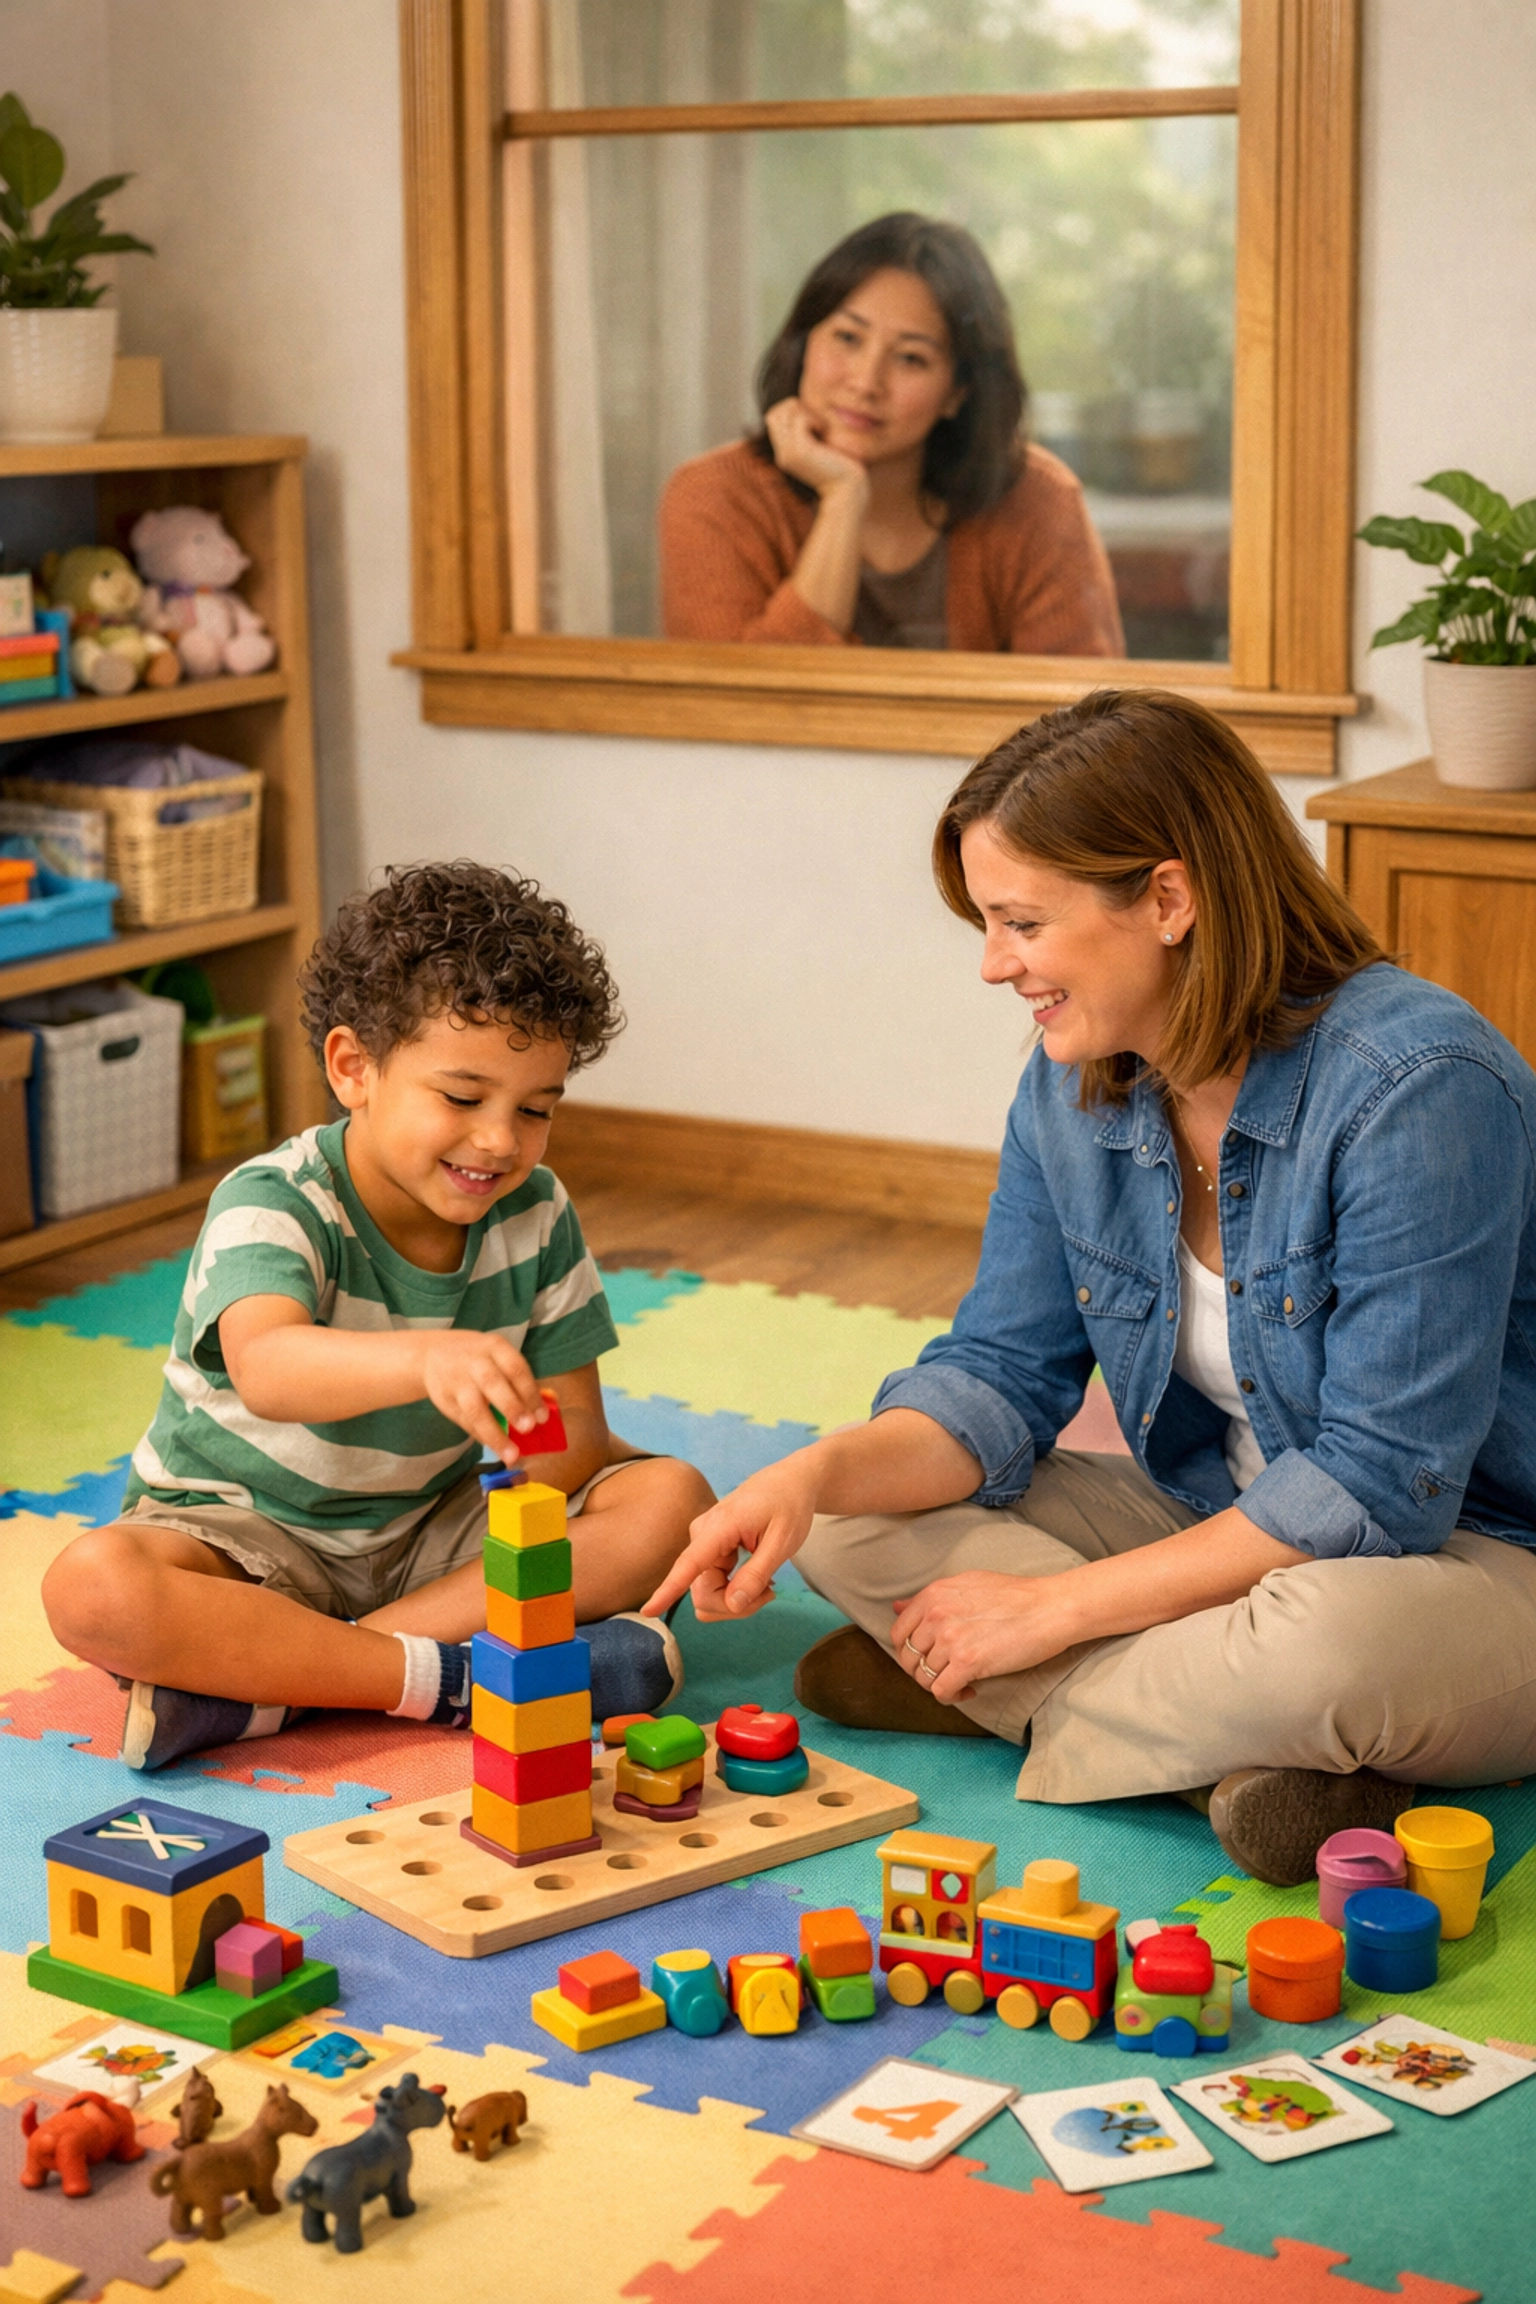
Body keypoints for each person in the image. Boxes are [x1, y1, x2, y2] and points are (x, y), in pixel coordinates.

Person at [648, 690, 1536, 1887]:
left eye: (1021, 921)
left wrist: (1055, 1617)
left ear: (1168, 900)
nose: (992, 965)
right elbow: (1000, 1376)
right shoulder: (1073, 1088)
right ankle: (1233, 1758)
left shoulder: (1417, 1084)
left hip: (1471, 1559)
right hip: (1223, 1522)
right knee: (856, 1520)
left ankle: (1003, 1698)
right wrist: (804, 1476)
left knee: (1334, 1650)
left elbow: (1383, 1485)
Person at [43, 862, 713, 1772]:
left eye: (536, 1110)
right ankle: (465, 1682)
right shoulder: (274, 1201)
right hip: (242, 1537)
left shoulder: (537, 1214)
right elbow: (269, 1366)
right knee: (92, 1588)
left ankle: (293, 1682)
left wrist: (543, 1435)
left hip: (428, 1536)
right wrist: (425, 1360)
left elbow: (568, 1446)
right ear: (354, 1068)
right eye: (464, 1098)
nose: (499, 1141)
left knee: (671, 1502)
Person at [659, 211, 1123, 656]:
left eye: (911, 359)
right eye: (847, 338)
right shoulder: (713, 496)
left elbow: (1089, 719)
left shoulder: (1038, 500)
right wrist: (843, 499)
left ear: (957, 392)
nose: (865, 382)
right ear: (802, 345)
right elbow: (739, 708)